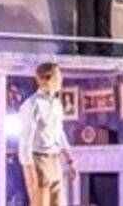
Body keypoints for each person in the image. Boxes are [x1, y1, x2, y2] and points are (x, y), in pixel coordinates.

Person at [19, 62, 75, 206]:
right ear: (48, 78)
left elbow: (59, 132)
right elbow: (25, 140)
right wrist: (29, 170)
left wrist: (70, 160)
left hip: (54, 160)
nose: (61, 80)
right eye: (58, 76)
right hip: (38, 160)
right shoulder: (32, 104)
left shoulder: (56, 104)